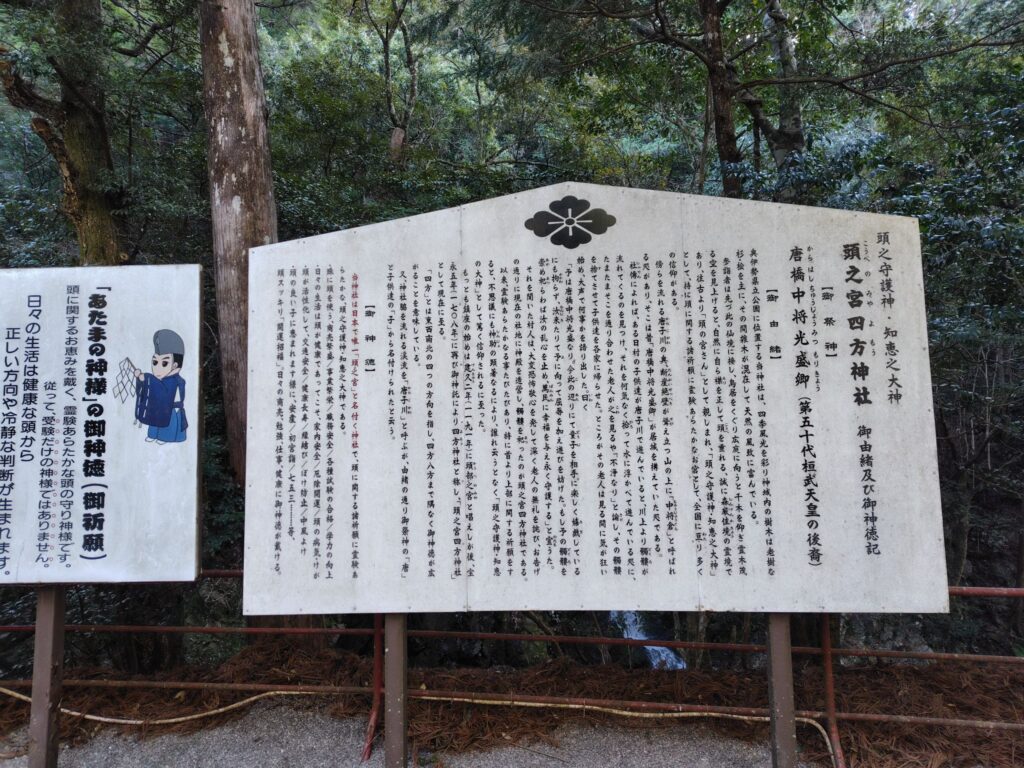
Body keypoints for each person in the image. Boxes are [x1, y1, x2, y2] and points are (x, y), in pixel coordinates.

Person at [133, 329, 188, 444]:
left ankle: (165, 438)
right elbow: (153, 391)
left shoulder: (176, 381)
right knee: (155, 414)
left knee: (169, 423)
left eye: (164, 363)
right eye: (155, 362)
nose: (157, 368)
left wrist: (146, 378)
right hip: (159, 409)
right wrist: (141, 380)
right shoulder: (160, 380)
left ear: (175, 365)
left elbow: (163, 392)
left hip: (172, 410)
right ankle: (153, 434)